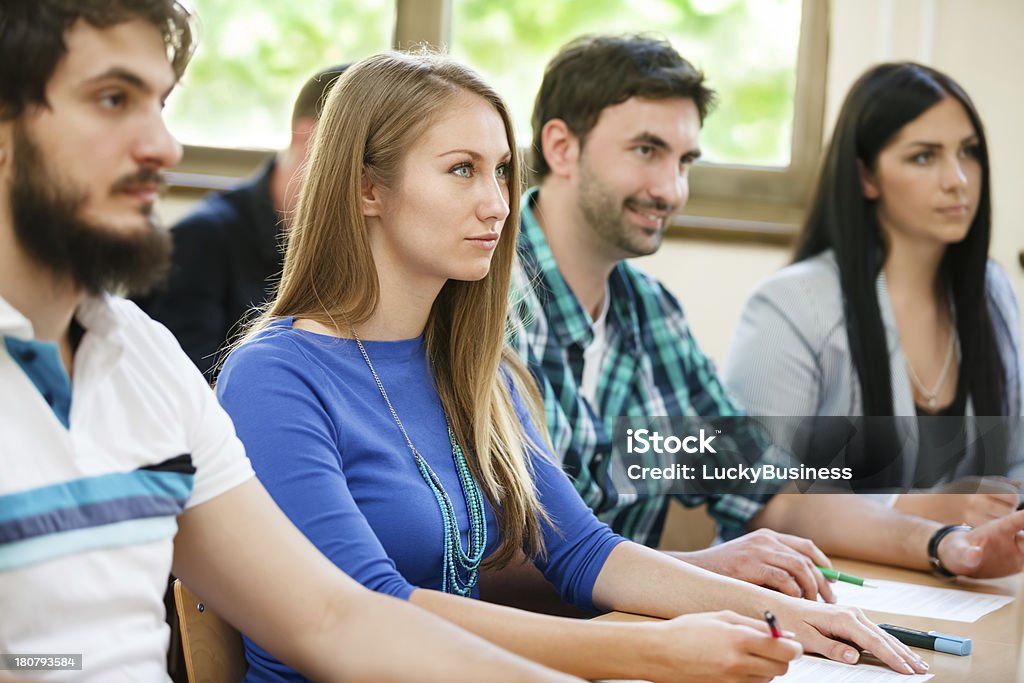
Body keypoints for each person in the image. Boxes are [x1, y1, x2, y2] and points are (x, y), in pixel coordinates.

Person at [217, 50, 935, 683]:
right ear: (368, 189)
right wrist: (658, 651)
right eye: (462, 170)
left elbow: (584, 549)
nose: (496, 203)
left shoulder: (476, 366)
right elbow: (374, 608)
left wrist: (783, 617)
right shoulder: (275, 377)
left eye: (500, 170)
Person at [0, 3, 581, 682]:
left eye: (160, 103)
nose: (165, 145)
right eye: (111, 99)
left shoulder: (144, 360)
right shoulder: (271, 371)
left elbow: (333, 616)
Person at [507, 32, 1024, 598]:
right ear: (560, 147)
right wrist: (704, 566)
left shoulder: (652, 314)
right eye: (646, 150)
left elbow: (765, 491)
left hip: (630, 626)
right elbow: (482, 558)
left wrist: (945, 544)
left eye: (685, 161)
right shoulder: (493, 306)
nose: (671, 189)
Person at [723, 62, 1023, 527]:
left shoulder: (992, 292)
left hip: (967, 588)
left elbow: (1017, 464)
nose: (958, 180)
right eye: (924, 156)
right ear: (866, 176)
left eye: (968, 152)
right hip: (818, 586)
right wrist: (912, 510)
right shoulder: (790, 305)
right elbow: (754, 496)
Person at [138, 64, 348, 380]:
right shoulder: (203, 239)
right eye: (363, 154)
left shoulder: (347, 245)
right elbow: (188, 389)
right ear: (310, 137)